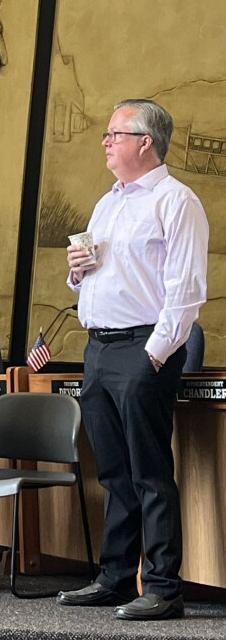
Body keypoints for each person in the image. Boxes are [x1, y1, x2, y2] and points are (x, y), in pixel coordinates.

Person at [56, 99, 208, 620]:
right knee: (114, 473)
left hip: (145, 349)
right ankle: (116, 578)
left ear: (145, 142)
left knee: (149, 472)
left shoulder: (176, 201)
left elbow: (185, 292)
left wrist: (154, 355)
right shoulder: (108, 203)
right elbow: (97, 275)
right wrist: (77, 271)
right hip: (98, 348)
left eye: (114, 133)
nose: (105, 141)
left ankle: (163, 587)